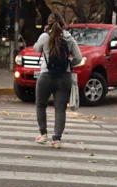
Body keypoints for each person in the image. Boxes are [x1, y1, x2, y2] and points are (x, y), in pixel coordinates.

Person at [33, 12, 82, 149]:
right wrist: (68, 63)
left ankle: (43, 134)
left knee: (40, 105)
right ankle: (57, 139)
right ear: (62, 23)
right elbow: (78, 58)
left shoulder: (44, 36)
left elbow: (36, 49)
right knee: (60, 110)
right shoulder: (69, 38)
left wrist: (44, 34)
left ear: (48, 23)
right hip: (64, 77)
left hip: (46, 76)